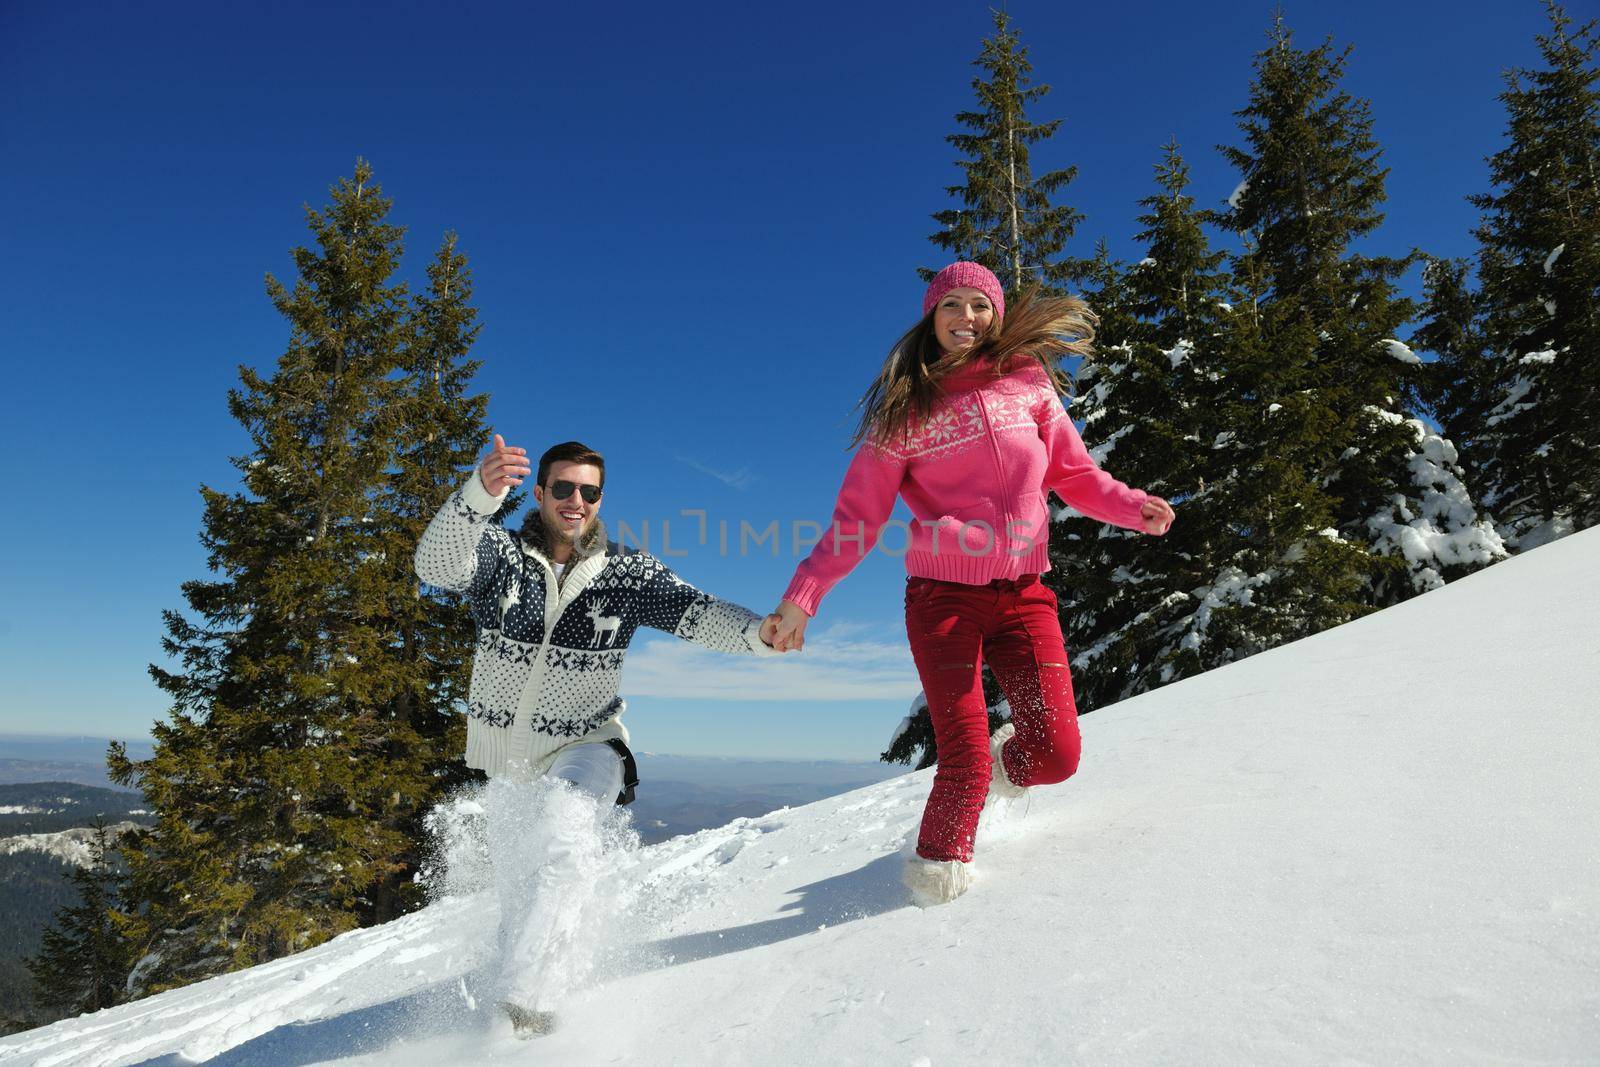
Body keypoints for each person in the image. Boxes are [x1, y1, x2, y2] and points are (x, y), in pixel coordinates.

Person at [764, 262, 1174, 907]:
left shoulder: (1029, 386)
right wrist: (802, 597)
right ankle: (929, 884)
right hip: (943, 599)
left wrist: (1131, 506)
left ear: (997, 315)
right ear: (931, 316)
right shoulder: (903, 414)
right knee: (965, 755)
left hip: (1025, 595)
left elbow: (1074, 473)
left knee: (1057, 754)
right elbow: (857, 520)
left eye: (979, 304)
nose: (966, 317)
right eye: (950, 303)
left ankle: (997, 782)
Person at [415, 436, 782, 1036]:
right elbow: (434, 563)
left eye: (589, 491)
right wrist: (480, 493)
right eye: (563, 488)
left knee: (566, 840)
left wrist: (759, 634)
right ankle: (506, 1015)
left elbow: (697, 612)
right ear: (539, 494)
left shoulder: (626, 572)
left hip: (590, 743)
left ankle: (530, 1012)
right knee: (522, 900)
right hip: (508, 762)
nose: (576, 500)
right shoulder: (498, 557)